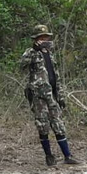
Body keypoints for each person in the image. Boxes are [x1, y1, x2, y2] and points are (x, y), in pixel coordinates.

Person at [20, 25, 79, 166]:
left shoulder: (50, 54)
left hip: (52, 95)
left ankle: (67, 156)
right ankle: (49, 156)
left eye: (46, 37)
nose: (45, 40)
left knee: (58, 124)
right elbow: (21, 66)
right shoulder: (31, 53)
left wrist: (61, 96)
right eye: (42, 38)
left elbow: (56, 76)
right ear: (36, 39)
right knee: (43, 126)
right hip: (38, 96)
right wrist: (35, 50)